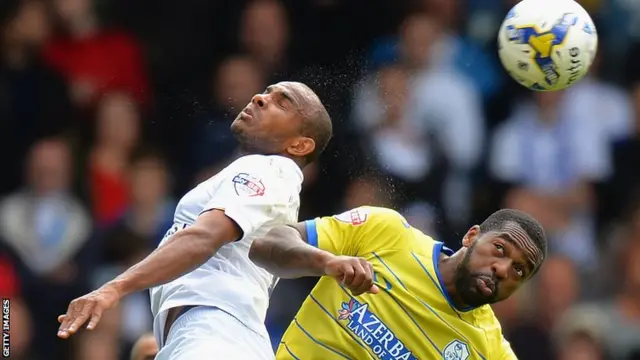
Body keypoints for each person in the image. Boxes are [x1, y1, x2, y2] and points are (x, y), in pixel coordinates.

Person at [56, 81, 357, 360]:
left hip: (215, 334)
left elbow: (204, 238)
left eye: (283, 102)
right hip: (215, 336)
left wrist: (114, 288)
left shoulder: (270, 170)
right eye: (266, 91)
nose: (260, 98)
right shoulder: (267, 178)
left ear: (299, 146)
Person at [249, 206, 547, 359]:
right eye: (500, 249)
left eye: (520, 270)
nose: (503, 269)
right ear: (471, 236)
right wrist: (327, 263)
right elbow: (266, 245)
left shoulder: (489, 350)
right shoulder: (386, 232)